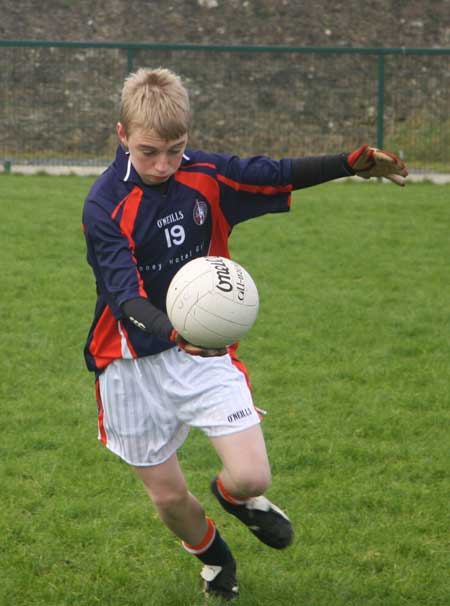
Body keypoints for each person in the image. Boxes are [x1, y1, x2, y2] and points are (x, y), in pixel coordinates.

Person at [82, 67, 408, 600]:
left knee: (252, 477)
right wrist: (170, 330)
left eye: (175, 149)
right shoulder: (104, 205)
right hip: (128, 360)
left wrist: (351, 164)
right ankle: (213, 557)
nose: (163, 165)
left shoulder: (208, 174)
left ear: (188, 138)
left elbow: (275, 172)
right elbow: (123, 296)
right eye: (148, 152)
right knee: (167, 498)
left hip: (202, 352)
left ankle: (234, 499)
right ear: (122, 135)